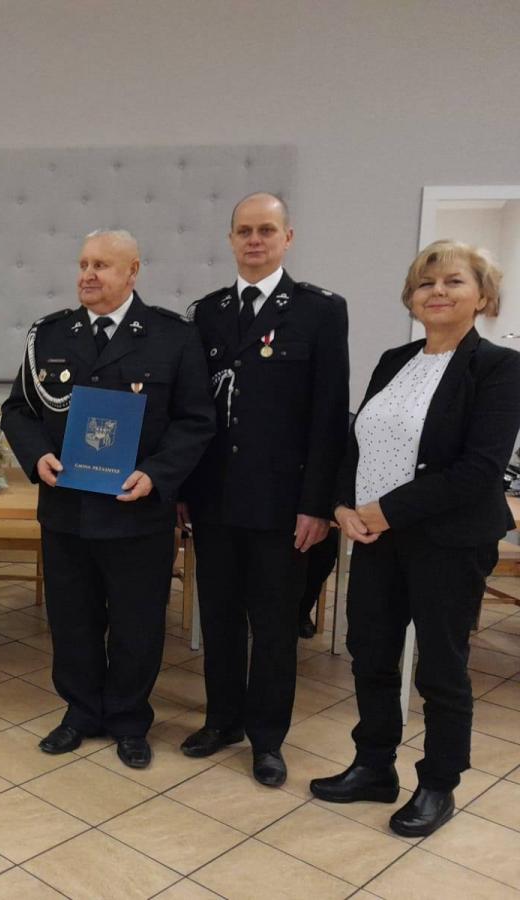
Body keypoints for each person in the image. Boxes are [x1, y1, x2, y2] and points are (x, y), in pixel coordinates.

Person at [311, 241, 520, 836]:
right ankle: (374, 766)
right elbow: (357, 443)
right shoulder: (394, 359)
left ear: (482, 296)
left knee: (441, 667)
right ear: (411, 296)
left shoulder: (500, 368)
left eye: (454, 281)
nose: (438, 292)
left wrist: (384, 511)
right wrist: (342, 505)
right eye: (426, 283)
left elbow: (479, 470)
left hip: (448, 541)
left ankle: (438, 784)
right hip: (375, 538)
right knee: (371, 654)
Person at [0, 230, 214, 768]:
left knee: (137, 623)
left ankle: (128, 718)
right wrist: (36, 456)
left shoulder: (172, 336)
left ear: (132, 271)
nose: (88, 275)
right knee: (72, 619)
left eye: (101, 265)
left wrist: (156, 474)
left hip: (136, 510)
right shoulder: (50, 334)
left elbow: (195, 421)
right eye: (83, 264)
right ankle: (80, 712)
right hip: (67, 510)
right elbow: (18, 410)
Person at [180, 192, 349, 786]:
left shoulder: (319, 311)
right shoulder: (206, 313)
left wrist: (318, 504)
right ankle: (222, 720)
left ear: (287, 238)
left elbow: (329, 414)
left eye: (267, 230)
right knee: (220, 617)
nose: (255, 240)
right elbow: (193, 411)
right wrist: (183, 490)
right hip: (215, 499)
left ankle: (268, 739)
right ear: (231, 239)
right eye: (245, 231)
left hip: (283, 504)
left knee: (275, 627)